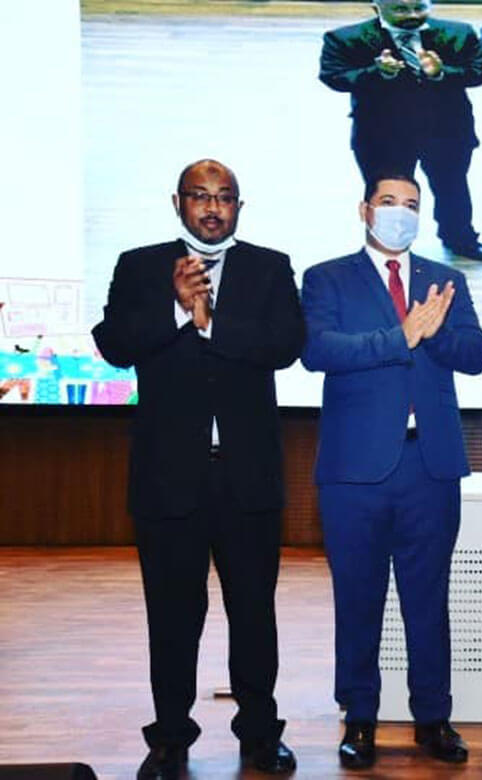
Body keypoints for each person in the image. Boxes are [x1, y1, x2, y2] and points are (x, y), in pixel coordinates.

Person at [91, 159, 304, 779]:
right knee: (173, 616)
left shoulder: (270, 267)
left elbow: (285, 344)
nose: (212, 208)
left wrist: (212, 322)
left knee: (254, 613)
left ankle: (260, 733)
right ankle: (170, 737)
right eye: (200, 197)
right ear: (177, 202)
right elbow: (114, 342)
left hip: (248, 479)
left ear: (240, 206)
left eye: (225, 198)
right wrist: (178, 312)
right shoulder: (140, 265)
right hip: (167, 478)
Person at [300, 172, 482, 770]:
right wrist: (400, 334)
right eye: (390, 203)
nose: (401, 214)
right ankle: (359, 719)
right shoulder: (326, 277)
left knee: (427, 600)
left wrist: (433, 337)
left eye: (412, 205)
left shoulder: (446, 279)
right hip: (354, 472)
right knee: (357, 599)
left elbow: (478, 353)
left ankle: (433, 718)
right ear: (365, 210)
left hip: (429, 467)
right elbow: (318, 351)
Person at [319, 0, 482, 261]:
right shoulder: (345, 38)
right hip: (381, 134)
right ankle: (387, 245)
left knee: (452, 188)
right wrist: (378, 72)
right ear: (377, 6)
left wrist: (441, 73)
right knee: (387, 194)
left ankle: (460, 239)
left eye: (420, 8)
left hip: (447, 131)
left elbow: (481, 71)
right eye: (401, 9)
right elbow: (333, 76)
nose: (413, 15)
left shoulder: (459, 32)